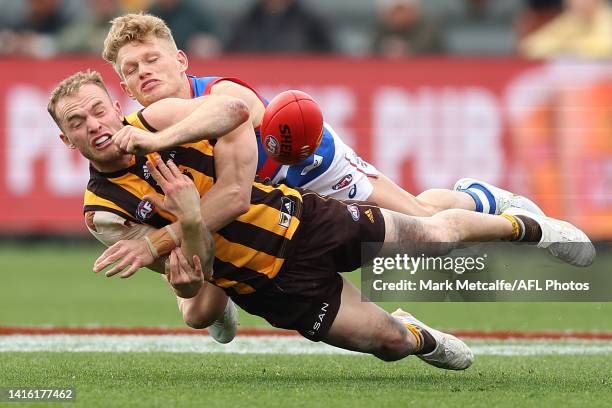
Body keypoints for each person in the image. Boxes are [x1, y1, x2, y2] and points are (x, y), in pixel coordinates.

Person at [47, 70, 595, 369]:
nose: (93, 124)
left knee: (435, 235)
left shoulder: (157, 118)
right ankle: (414, 332)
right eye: (77, 121)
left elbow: (237, 109)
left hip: (307, 221)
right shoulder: (105, 214)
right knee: (390, 344)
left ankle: (535, 228)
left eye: (98, 109)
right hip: (270, 287)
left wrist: (159, 141)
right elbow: (196, 273)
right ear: (65, 138)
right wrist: (187, 224)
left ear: (114, 106)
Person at [100, 12, 553, 339]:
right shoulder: (140, 130)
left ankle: (477, 198)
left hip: (305, 168)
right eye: (132, 70)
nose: (145, 72)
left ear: (180, 60)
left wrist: (165, 144)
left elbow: (246, 115)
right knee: (196, 313)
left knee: (421, 222)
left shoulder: (217, 92)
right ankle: (230, 302)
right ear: (125, 87)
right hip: (255, 212)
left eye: (151, 59)